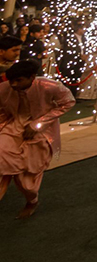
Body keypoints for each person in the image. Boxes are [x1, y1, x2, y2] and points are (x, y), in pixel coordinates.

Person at [0, 60, 75, 218]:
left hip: (42, 131)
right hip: (12, 126)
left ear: (32, 77)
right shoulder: (4, 88)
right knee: (2, 157)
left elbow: (68, 102)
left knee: (27, 176)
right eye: (11, 80)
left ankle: (32, 201)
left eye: (18, 80)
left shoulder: (49, 86)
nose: (13, 84)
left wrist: (37, 125)